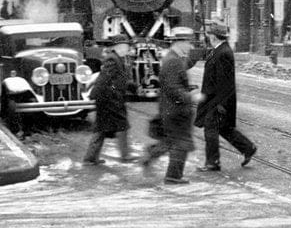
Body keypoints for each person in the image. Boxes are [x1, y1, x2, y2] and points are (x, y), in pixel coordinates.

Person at [194, 22, 256, 171]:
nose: (208, 37)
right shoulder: (219, 50)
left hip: (217, 101)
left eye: (209, 34)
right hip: (216, 99)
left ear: (213, 36)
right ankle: (248, 148)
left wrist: (220, 104)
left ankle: (212, 162)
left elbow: (224, 82)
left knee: (210, 128)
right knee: (224, 128)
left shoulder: (222, 53)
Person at [142, 28, 200, 184]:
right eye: (188, 43)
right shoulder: (173, 61)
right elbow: (173, 87)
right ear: (180, 43)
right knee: (181, 143)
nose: (191, 47)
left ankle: (151, 155)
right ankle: (173, 176)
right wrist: (191, 96)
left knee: (172, 141)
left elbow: (173, 84)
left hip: (171, 109)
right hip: (176, 110)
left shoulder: (173, 58)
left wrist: (189, 89)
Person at [83, 35, 135, 165]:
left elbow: (117, 79)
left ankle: (90, 158)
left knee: (101, 129)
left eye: (127, 46)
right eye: (125, 46)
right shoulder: (112, 59)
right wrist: (93, 95)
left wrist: (130, 86)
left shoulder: (118, 58)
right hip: (109, 100)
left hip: (110, 99)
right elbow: (103, 79)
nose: (127, 49)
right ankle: (125, 155)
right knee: (121, 126)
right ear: (118, 47)